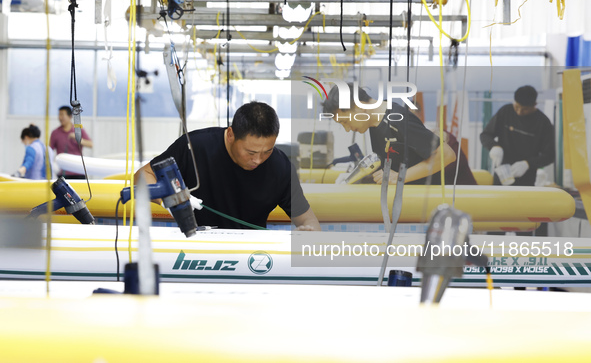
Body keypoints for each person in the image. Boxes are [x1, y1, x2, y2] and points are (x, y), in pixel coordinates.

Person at [135, 101, 321, 230]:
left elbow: (308, 220)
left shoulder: (280, 167)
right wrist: (168, 199)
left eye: (267, 151)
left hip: (252, 256)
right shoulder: (194, 147)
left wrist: (309, 233)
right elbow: (143, 175)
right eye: (251, 152)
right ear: (231, 134)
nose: (258, 160)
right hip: (196, 245)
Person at [323, 83, 458, 185]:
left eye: (345, 122)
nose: (347, 129)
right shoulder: (375, 123)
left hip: (422, 202)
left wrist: (399, 176)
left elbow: (447, 155)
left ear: (360, 107)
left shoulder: (397, 119)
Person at [480, 85, 555, 186]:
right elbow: (485, 135)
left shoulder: (543, 123)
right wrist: (494, 146)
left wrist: (528, 164)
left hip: (526, 180)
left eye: (525, 109)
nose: (519, 111)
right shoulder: (505, 112)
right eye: (517, 107)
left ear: (534, 104)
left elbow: (549, 156)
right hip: (502, 174)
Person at [50, 105, 93, 179]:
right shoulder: (55, 132)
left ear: (70, 116)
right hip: (63, 172)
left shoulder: (78, 130)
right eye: (59, 115)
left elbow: (90, 144)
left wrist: (78, 139)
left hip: (78, 171)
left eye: (62, 115)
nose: (60, 118)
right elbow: (50, 150)